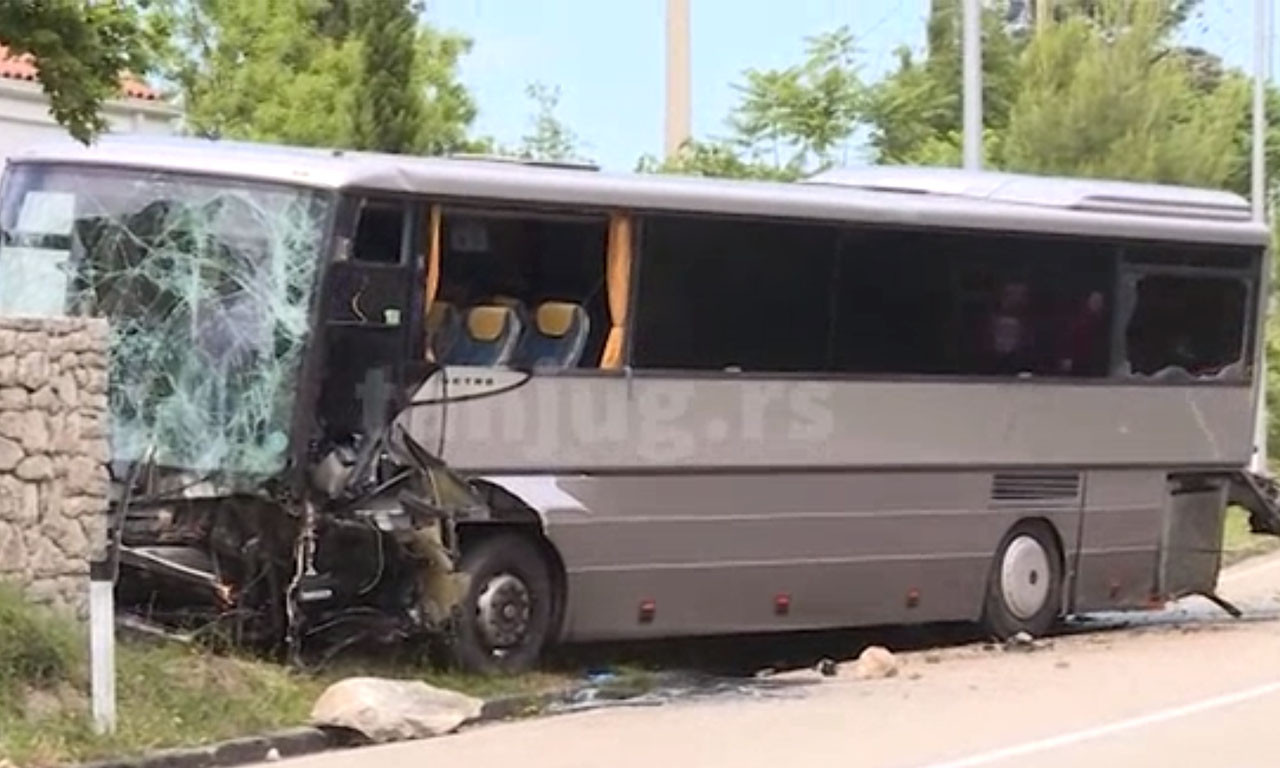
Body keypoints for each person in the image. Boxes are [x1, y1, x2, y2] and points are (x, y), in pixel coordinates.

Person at [1057, 290, 1106, 375]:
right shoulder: (1081, 319)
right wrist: (1067, 356)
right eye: (1094, 301)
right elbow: (1069, 337)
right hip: (1079, 359)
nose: (1097, 304)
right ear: (1088, 302)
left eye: (1099, 302)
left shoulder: (1104, 320)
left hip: (1095, 360)